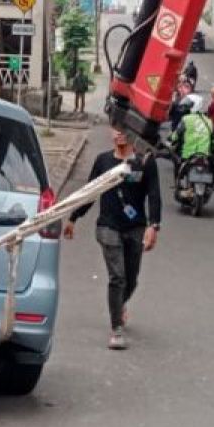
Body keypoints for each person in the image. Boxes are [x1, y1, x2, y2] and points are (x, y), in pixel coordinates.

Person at [63, 128, 162, 351]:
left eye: (124, 131)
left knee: (131, 278)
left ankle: (120, 304)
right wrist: (73, 217)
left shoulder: (145, 161)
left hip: (135, 227)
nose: (119, 134)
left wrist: (154, 226)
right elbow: (90, 192)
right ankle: (116, 328)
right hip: (108, 226)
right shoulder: (103, 160)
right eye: (115, 130)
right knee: (117, 277)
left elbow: (154, 194)